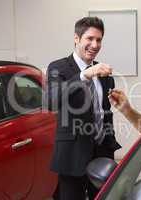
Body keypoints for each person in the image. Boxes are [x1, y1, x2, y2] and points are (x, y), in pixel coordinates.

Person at [45, 17, 121, 200]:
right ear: (76, 38)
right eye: (90, 38)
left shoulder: (103, 73)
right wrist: (84, 75)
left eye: (99, 40)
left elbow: (103, 112)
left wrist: (108, 140)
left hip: (102, 151)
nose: (95, 45)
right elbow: (51, 102)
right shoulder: (58, 67)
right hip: (72, 154)